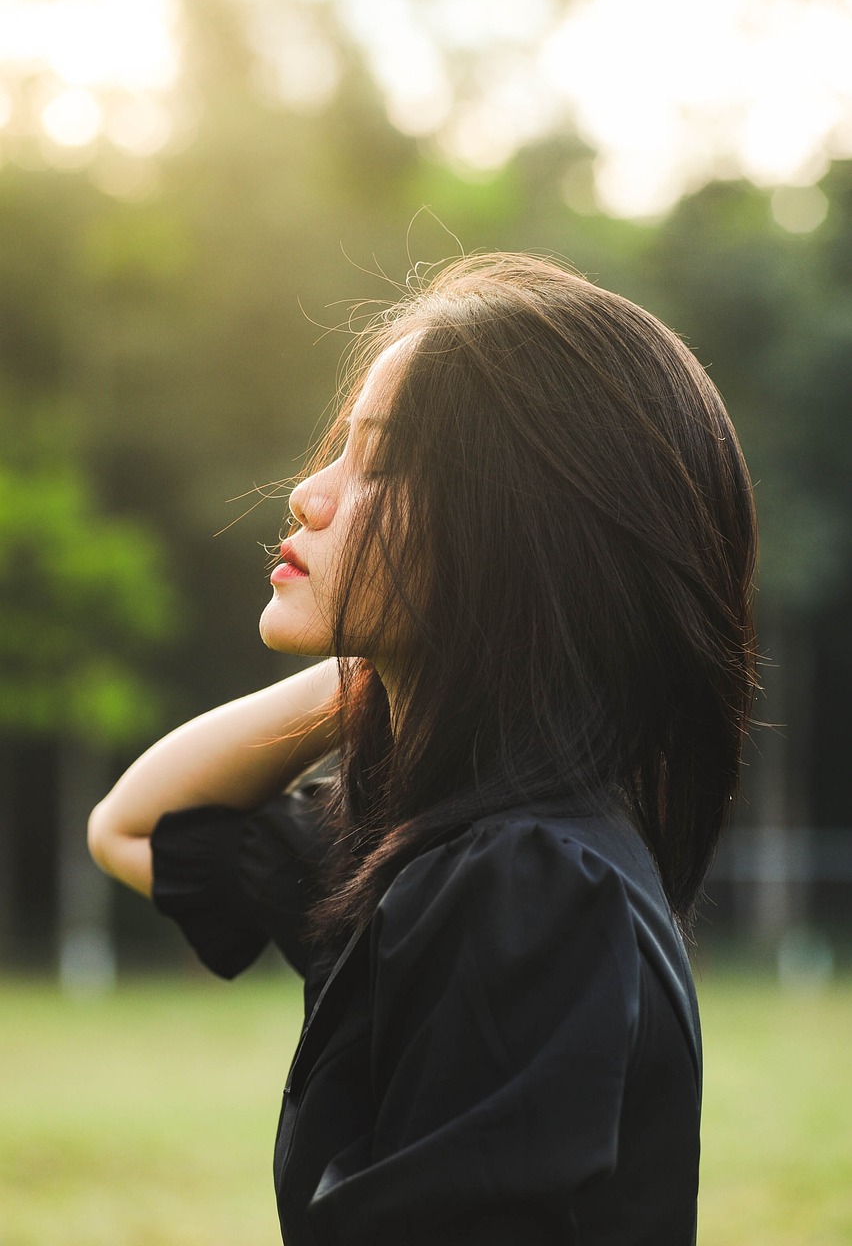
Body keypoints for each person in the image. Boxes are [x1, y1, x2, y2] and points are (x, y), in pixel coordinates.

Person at [88, 253, 758, 1245]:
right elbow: (135, 825)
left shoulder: (525, 884)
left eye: (382, 461)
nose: (308, 494)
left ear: (516, 531)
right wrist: (369, 667)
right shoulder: (442, 852)